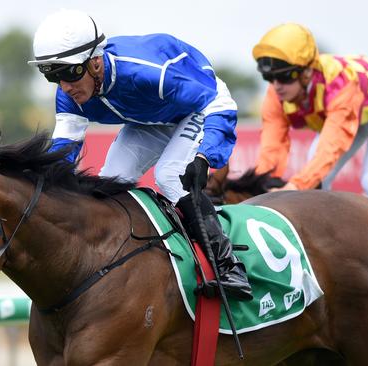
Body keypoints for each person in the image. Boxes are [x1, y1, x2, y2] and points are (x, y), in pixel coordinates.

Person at [28, 9, 252, 300]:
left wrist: (205, 156)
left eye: (70, 73)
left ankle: (228, 267)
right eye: (53, 76)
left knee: (170, 176)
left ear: (96, 63)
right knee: (109, 181)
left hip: (198, 107)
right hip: (150, 119)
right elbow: (63, 152)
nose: (65, 86)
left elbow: (218, 102)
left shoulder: (144, 73)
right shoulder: (69, 96)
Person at [251, 22, 368, 249]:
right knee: (315, 176)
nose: (276, 86)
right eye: (269, 78)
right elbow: (272, 146)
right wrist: (263, 183)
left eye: (285, 77)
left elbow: (330, 149)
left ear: (306, 72)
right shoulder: (275, 95)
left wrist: (295, 187)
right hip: (356, 110)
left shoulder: (339, 85)